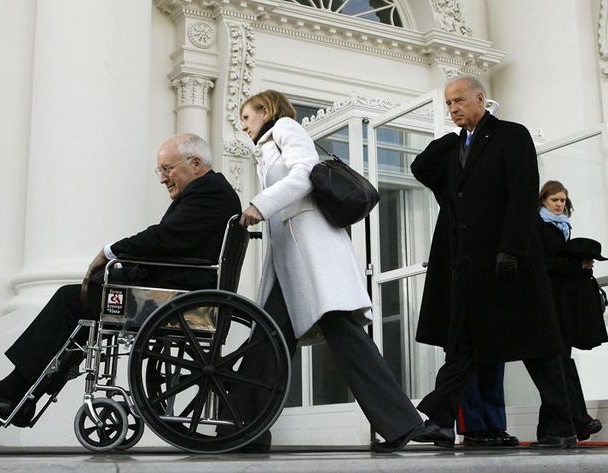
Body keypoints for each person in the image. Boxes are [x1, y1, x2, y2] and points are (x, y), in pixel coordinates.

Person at [0, 133, 241, 426]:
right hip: (178, 294)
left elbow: (166, 238)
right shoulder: (209, 192)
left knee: (71, 300)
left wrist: (111, 251)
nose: (162, 178)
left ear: (196, 163)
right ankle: (20, 395)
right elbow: (174, 242)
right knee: (81, 304)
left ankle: (14, 393)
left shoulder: (210, 193)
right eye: (159, 170)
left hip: (179, 299)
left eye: (167, 168)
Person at [236, 89, 423, 453]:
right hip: (291, 262)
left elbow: (304, 175)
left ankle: (401, 423)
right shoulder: (268, 144)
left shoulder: (286, 128)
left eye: (246, 117)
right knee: (266, 341)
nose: (243, 126)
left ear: (265, 110)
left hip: (312, 258)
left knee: (346, 340)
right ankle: (246, 429)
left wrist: (261, 204)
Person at [409, 75, 576, 448]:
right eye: (448, 104)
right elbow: (421, 168)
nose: (453, 109)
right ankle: (438, 420)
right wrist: (454, 137)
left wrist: (511, 250)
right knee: (462, 346)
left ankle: (561, 427)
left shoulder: (511, 135)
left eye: (459, 101)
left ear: (482, 99)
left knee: (539, 349)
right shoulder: (456, 149)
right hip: (471, 269)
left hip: (510, 265)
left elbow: (522, 193)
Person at [414, 130, 518, 448]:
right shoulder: (451, 186)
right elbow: (421, 165)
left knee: (492, 355)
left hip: (491, 278)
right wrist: (461, 134)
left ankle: (492, 424)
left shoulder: (493, 187)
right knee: (463, 356)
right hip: (459, 282)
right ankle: (472, 425)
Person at [537, 180, 606, 441]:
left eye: (563, 200)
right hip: (549, 306)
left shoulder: (561, 227)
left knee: (560, 365)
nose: (559, 205)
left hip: (561, 305)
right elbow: (547, 264)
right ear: (544, 200)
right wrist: (579, 266)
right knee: (558, 365)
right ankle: (577, 421)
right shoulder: (540, 226)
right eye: (555, 199)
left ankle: (558, 428)